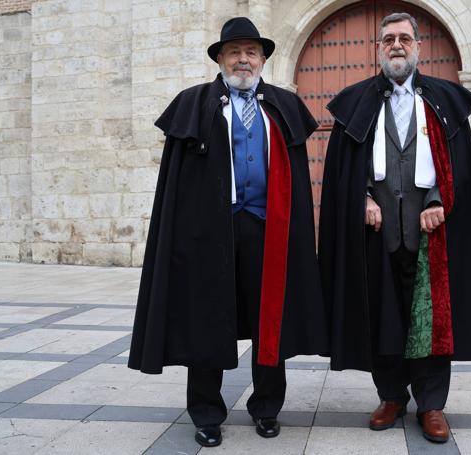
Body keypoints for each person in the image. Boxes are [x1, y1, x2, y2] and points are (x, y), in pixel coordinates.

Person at [128, 17, 329, 448]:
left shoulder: (281, 107)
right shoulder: (194, 104)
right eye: (234, 51)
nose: (243, 59)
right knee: (206, 320)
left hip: (267, 229)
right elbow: (176, 185)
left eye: (251, 52)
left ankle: (267, 407)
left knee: (269, 319)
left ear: (262, 60)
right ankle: (206, 412)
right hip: (208, 235)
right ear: (220, 58)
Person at [318, 12, 471, 443]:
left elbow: (458, 169)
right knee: (385, 316)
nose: (396, 45)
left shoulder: (443, 101)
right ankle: (392, 396)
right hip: (378, 234)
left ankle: (432, 405)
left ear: (418, 46)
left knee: (432, 319)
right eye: (388, 40)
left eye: (404, 38)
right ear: (378, 49)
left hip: (430, 234)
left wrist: (439, 200)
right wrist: (361, 197)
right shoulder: (357, 102)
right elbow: (346, 168)